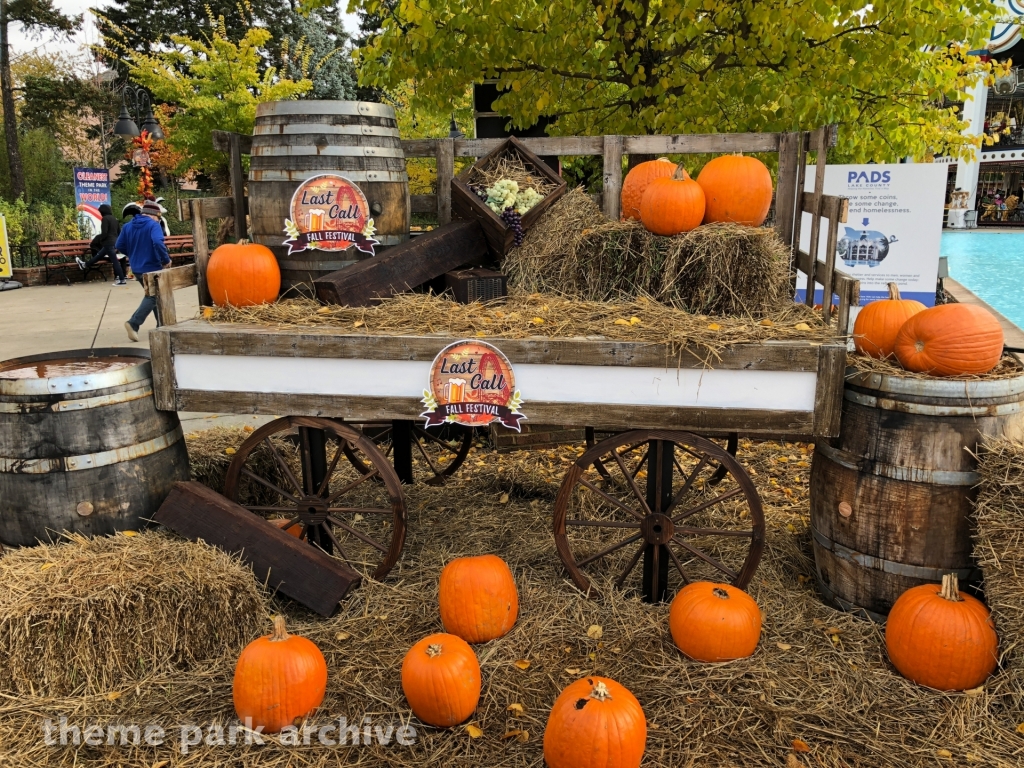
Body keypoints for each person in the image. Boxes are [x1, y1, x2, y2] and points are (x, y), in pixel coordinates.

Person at [117, 199, 170, 342]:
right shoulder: (153, 225)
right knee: (153, 296)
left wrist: (133, 254)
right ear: (153, 215)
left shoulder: (128, 226)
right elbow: (158, 242)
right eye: (159, 218)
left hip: (137, 268)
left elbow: (119, 245)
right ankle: (133, 323)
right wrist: (165, 260)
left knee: (153, 296)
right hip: (152, 267)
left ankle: (162, 325)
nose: (159, 220)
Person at [75, 204, 126, 285]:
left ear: (103, 211)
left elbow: (104, 232)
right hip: (114, 242)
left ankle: (122, 280)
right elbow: (119, 232)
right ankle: (84, 265)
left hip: (108, 243)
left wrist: (102, 240)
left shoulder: (105, 219)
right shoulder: (114, 219)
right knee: (98, 256)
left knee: (115, 261)